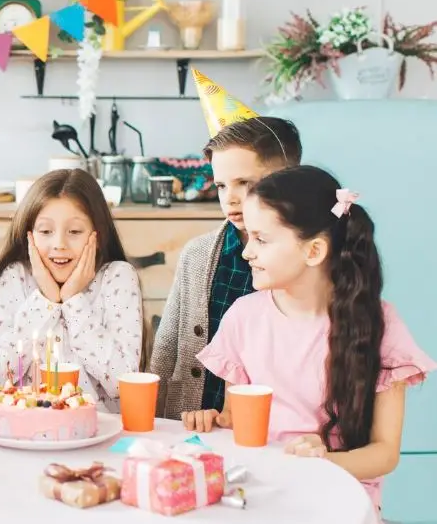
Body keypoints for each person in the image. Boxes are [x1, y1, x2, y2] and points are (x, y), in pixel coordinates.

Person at [183, 165, 436, 514]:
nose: (246, 253)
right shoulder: (243, 317)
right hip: (264, 490)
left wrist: (322, 461)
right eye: (248, 238)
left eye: (261, 239)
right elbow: (235, 419)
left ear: (314, 251)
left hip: (339, 496)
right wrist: (214, 421)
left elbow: (384, 453)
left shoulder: (380, 324)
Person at [150, 69, 303, 419]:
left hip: (266, 425)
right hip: (193, 419)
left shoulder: (304, 259)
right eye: (221, 186)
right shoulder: (198, 254)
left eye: (245, 183)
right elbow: (167, 345)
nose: (230, 198)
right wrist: (155, 422)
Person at [0, 168, 143, 411]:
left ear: (98, 235)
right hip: (25, 428)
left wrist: (73, 300)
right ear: (29, 236)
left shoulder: (118, 277)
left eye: (74, 232)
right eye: (45, 232)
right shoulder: (15, 278)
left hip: (99, 430)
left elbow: (123, 381)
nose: (59, 244)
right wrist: (46, 300)